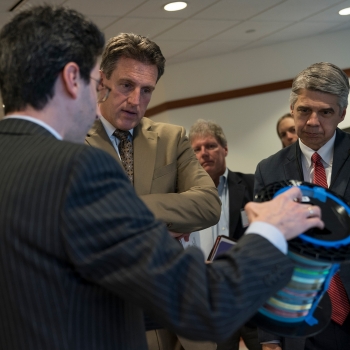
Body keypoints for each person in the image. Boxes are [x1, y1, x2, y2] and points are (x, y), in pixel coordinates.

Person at [0, 6, 325, 349]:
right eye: (98, 83)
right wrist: (269, 231)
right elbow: (206, 305)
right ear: (71, 78)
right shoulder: (78, 170)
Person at [84, 33, 221, 350]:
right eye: (126, 86)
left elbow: (208, 205)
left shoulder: (171, 138)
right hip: (108, 312)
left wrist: (131, 213)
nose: (136, 101)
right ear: (102, 81)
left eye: (147, 90)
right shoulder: (69, 141)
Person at [255, 62, 350, 350]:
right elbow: (265, 251)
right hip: (301, 322)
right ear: (293, 109)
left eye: (325, 112)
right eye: (304, 110)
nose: (312, 121)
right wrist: (268, 336)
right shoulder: (269, 170)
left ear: (342, 114)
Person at [189, 119, 260, 350]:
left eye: (210, 146)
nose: (204, 153)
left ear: (225, 148)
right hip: (211, 301)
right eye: (197, 149)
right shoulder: (184, 199)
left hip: (250, 295)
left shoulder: (252, 185)